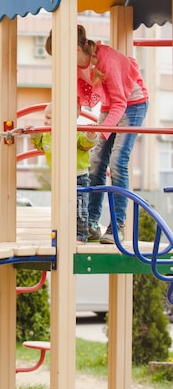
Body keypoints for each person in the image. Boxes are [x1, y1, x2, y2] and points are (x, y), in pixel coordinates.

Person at [46, 25, 149, 244]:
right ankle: (92, 223)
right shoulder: (74, 67)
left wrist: (100, 134)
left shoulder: (107, 60)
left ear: (74, 49)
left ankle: (117, 225)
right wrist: (65, 128)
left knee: (117, 161)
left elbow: (121, 102)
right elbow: (75, 101)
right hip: (110, 106)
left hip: (133, 105)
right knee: (96, 162)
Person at [29, 103, 98, 243]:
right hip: (59, 178)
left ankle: (81, 235)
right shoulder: (47, 135)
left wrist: (91, 136)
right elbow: (41, 146)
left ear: (62, 119)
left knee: (79, 208)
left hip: (77, 177)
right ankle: (65, 233)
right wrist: (35, 135)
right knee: (62, 208)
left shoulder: (75, 133)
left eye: (49, 118)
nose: (45, 121)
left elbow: (85, 143)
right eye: (45, 117)